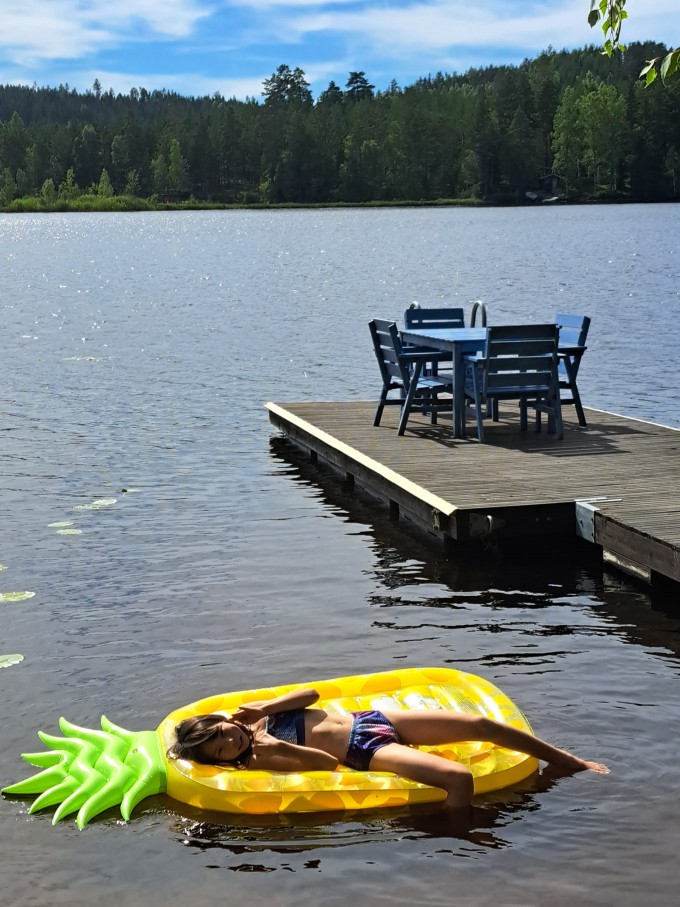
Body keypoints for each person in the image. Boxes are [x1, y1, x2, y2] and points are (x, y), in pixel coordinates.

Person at [167, 687, 609, 814]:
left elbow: (312, 695)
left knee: (480, 724)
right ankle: (459, 833)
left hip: (372, 719)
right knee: (459, 778)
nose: (232, 742)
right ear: (227, 762)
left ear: (223, 721)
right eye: (223, 751)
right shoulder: (261, 753)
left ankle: (567, 761)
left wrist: (268, 707)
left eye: (223, 733)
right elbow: (326, 765)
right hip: (363, 751)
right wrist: (274, 745)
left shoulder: (253, 717)